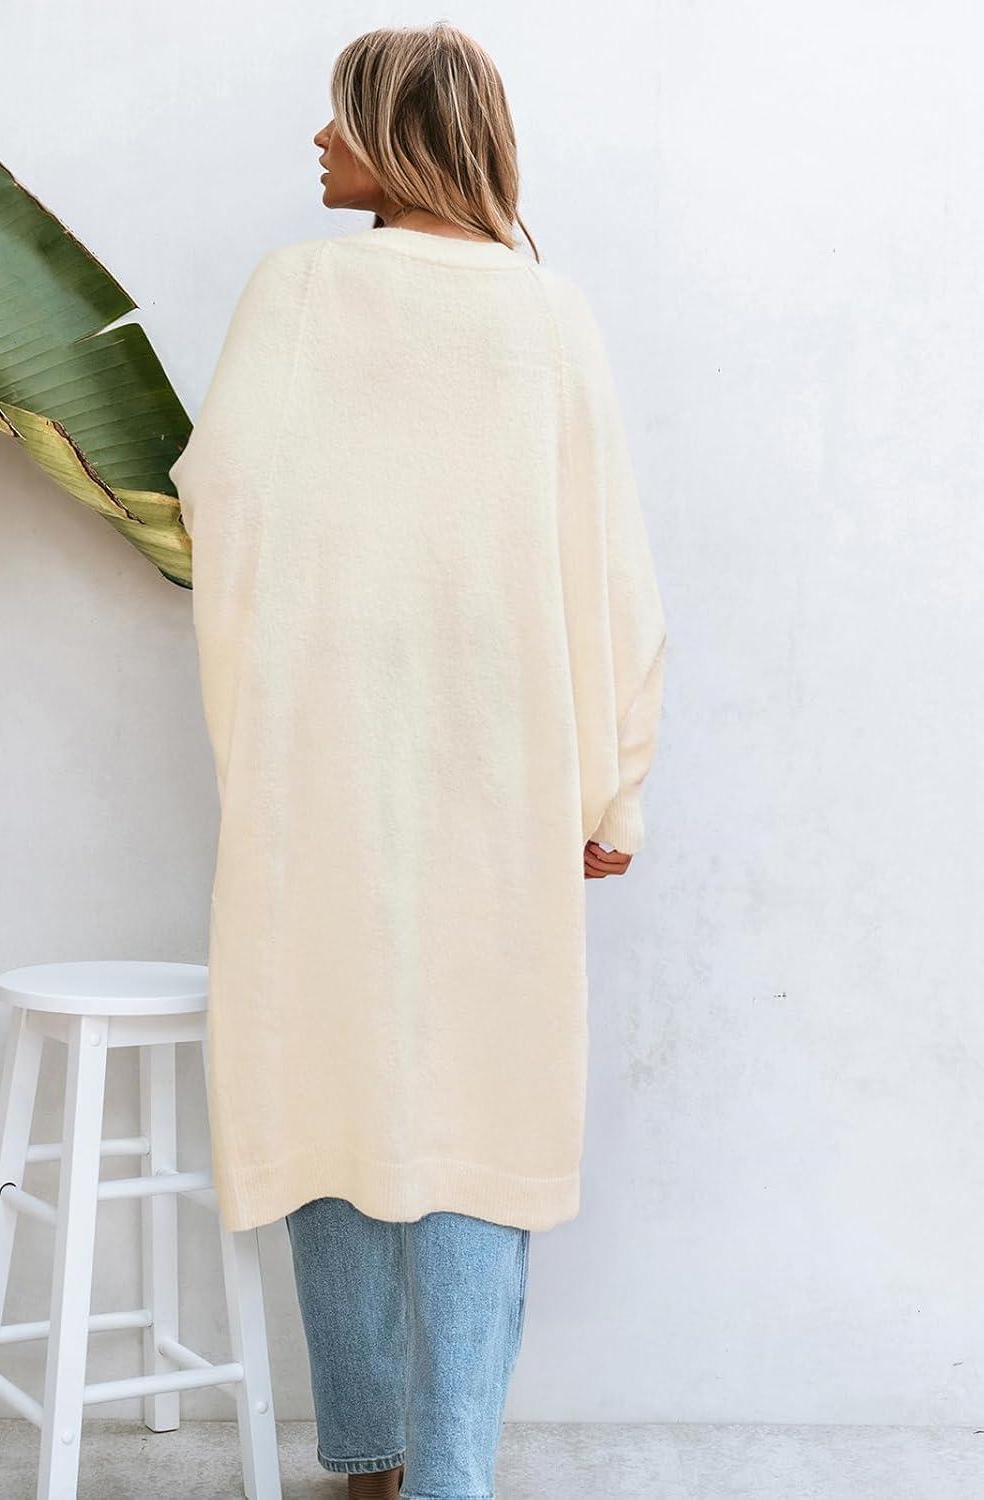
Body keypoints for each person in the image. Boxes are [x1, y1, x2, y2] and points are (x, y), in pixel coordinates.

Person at [169, 22, 667, 1500]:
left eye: (342, 119)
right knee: (480, 1110)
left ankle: (369, 1460)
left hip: (320, 775)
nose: (320, 144)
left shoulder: (299, 291)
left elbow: (220, 496)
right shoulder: (547, 315)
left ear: (400, 139)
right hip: (504, 780)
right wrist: (613, 782)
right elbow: (613, 572)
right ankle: (449, 1472)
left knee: (325, 1086)